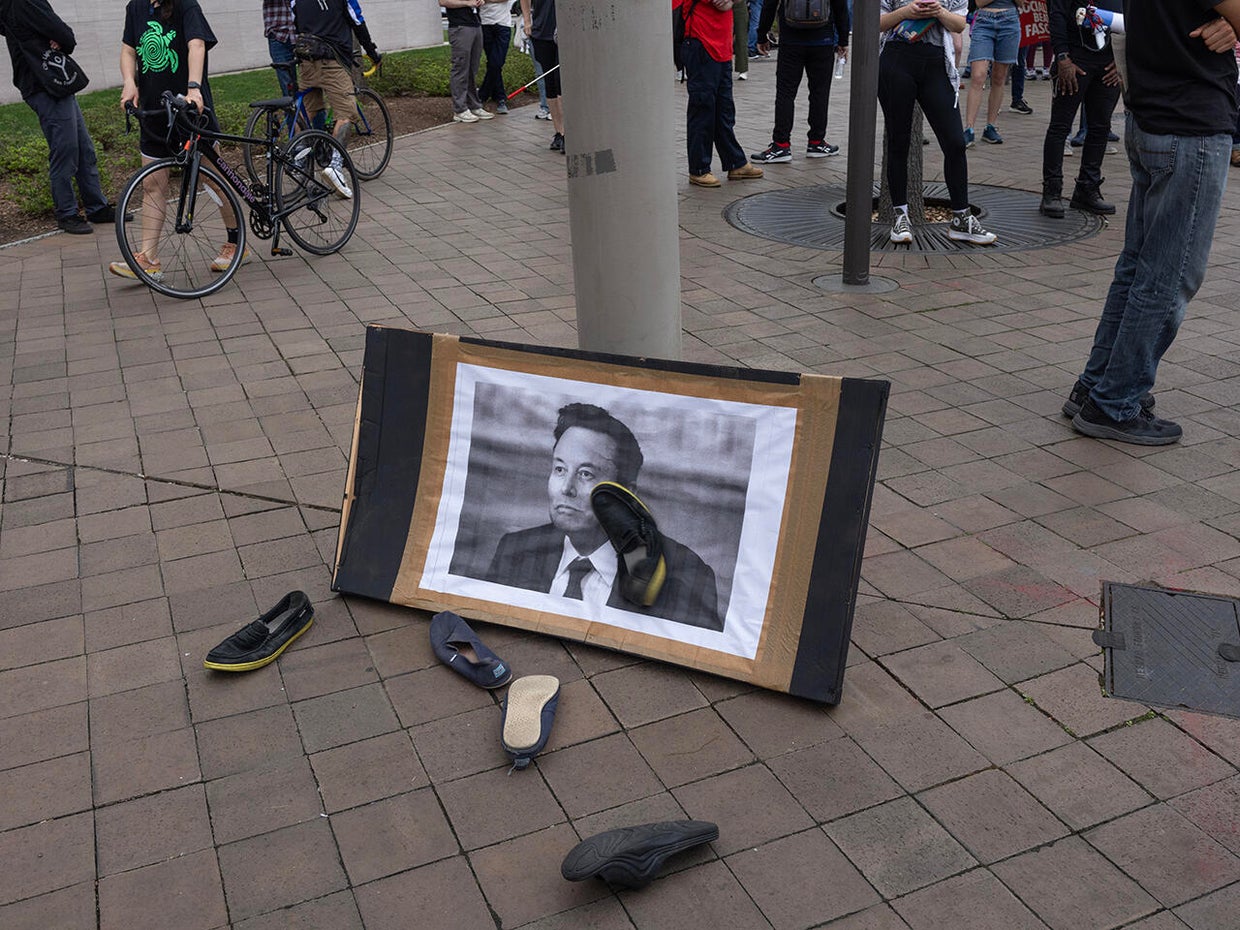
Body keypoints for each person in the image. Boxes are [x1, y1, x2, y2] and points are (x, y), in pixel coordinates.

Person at [1065, 0, 1239, 445]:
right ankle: (1114, 402)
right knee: (1169, 276)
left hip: (1155, 117)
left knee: (1139, 268)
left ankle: (1097, 386)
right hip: (1189, 123)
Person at [486, 403, 723, 630]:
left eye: (586, 474)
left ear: (627, 494)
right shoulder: (514, 551)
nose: (566, 488)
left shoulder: (687, 576)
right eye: (560, 469)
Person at [108, 0, 244, 279]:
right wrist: (129, 82)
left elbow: (197, 45)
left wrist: (194, 88)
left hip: (189, 110)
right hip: (154, 111)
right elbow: (129, 49)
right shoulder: (135, 7)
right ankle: (148, 259)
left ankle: (235, 243)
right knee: (152, 184)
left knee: (213, 179)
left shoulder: (186, 5)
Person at [878, 0, 998, 245]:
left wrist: (939, 11)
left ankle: (961, 218)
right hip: (896, 58)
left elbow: (959, 24)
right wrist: (906, 11)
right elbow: (877, 23)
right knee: (899, 140)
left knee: (955, 142)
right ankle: (900, 216)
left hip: (936, 63)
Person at [1, 0, 113, 234]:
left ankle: (96, 207)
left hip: (51, 82)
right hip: (44, 84)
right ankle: (67, 213)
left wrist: (51, 37)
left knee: (83, 148)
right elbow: (63, 33)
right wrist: (59, 39)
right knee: (66, 150)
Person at [1038, 0, 1122, 219]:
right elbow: (1057, 15)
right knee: (1060, 127)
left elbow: (1135, 19)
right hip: (1075, 58)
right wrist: (1063, 57)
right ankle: (1052, 191)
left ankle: (1087, 188)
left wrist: (1122, 59)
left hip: (1109, 62)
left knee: (1100, 127)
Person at [675, 0, 764, 187]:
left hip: (722, 46)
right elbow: (721, 3)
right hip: (701, 42)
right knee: (703, 109)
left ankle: (735, 161)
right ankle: (699, 168)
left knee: (724, 109)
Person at [750, 0, 851, 163]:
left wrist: (762, 35)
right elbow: (841, 8)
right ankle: (816, 142)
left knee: (785, 94)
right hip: (822, 40)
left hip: (791, 41)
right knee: (820, 93)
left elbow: (770, 4)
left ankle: (781, 145)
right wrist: (843, 40)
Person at [289, 0, 366, 196]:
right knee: (346, 113)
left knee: (307, 110)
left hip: (307, 58)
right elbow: (357, 20)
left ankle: (299, 159)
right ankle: (335, 167)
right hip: (333, 59)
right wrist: (372, 51)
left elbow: (295, 22)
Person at [962, 0, 1020, 145]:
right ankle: (969, 128)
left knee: (999, 77)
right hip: (984, 20)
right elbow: (980, 2)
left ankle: (991, 126)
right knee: (978, 76)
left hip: (1010, 20)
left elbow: (1021, 2)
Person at [520, 0, 563, 151]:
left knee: (561, 81)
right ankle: (559, 132)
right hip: (542, 31)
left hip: (566, 31)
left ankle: (567, 133)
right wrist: (527, 21)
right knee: (550, 84)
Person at [443, 0, 492, 123]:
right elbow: (443, 2)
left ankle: (474, 105)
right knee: (460, 68)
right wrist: (467, 3)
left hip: (475, 24)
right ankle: (460, 109)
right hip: (460, 27)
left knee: (472, 69)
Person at [479, 0, 512, 113]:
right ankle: (499, 97)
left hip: (503, 24)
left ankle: (482, 95)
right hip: (485, 24)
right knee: (492, 63)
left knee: (496, 63)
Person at [262, 0, 297, 98]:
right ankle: (291, 107)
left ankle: (309, 107)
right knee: (286, 81)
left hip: (302, 34)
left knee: (310, 79)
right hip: (278, 35)